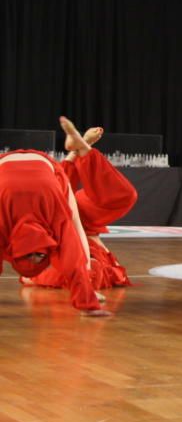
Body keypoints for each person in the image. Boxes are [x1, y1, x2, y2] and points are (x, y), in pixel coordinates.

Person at [0, 117, 111, 317]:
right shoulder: (51, 220)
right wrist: (88, 302)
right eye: (39, 255)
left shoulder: (5, 224)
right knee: (74, 228)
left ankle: (76, 151)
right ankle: (76, 150)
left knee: (78, 221)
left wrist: (89, 299)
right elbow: (75, 251)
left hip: (31, 173)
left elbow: (75, 246)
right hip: (34, 170)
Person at [23, 123, 137, 290]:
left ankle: (82, 147)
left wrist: (33, 277)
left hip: (70, 220)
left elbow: (32, 275)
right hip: (80, 218)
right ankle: (82, 147)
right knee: (123, 197)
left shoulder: (64, 263)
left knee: (122, 197)